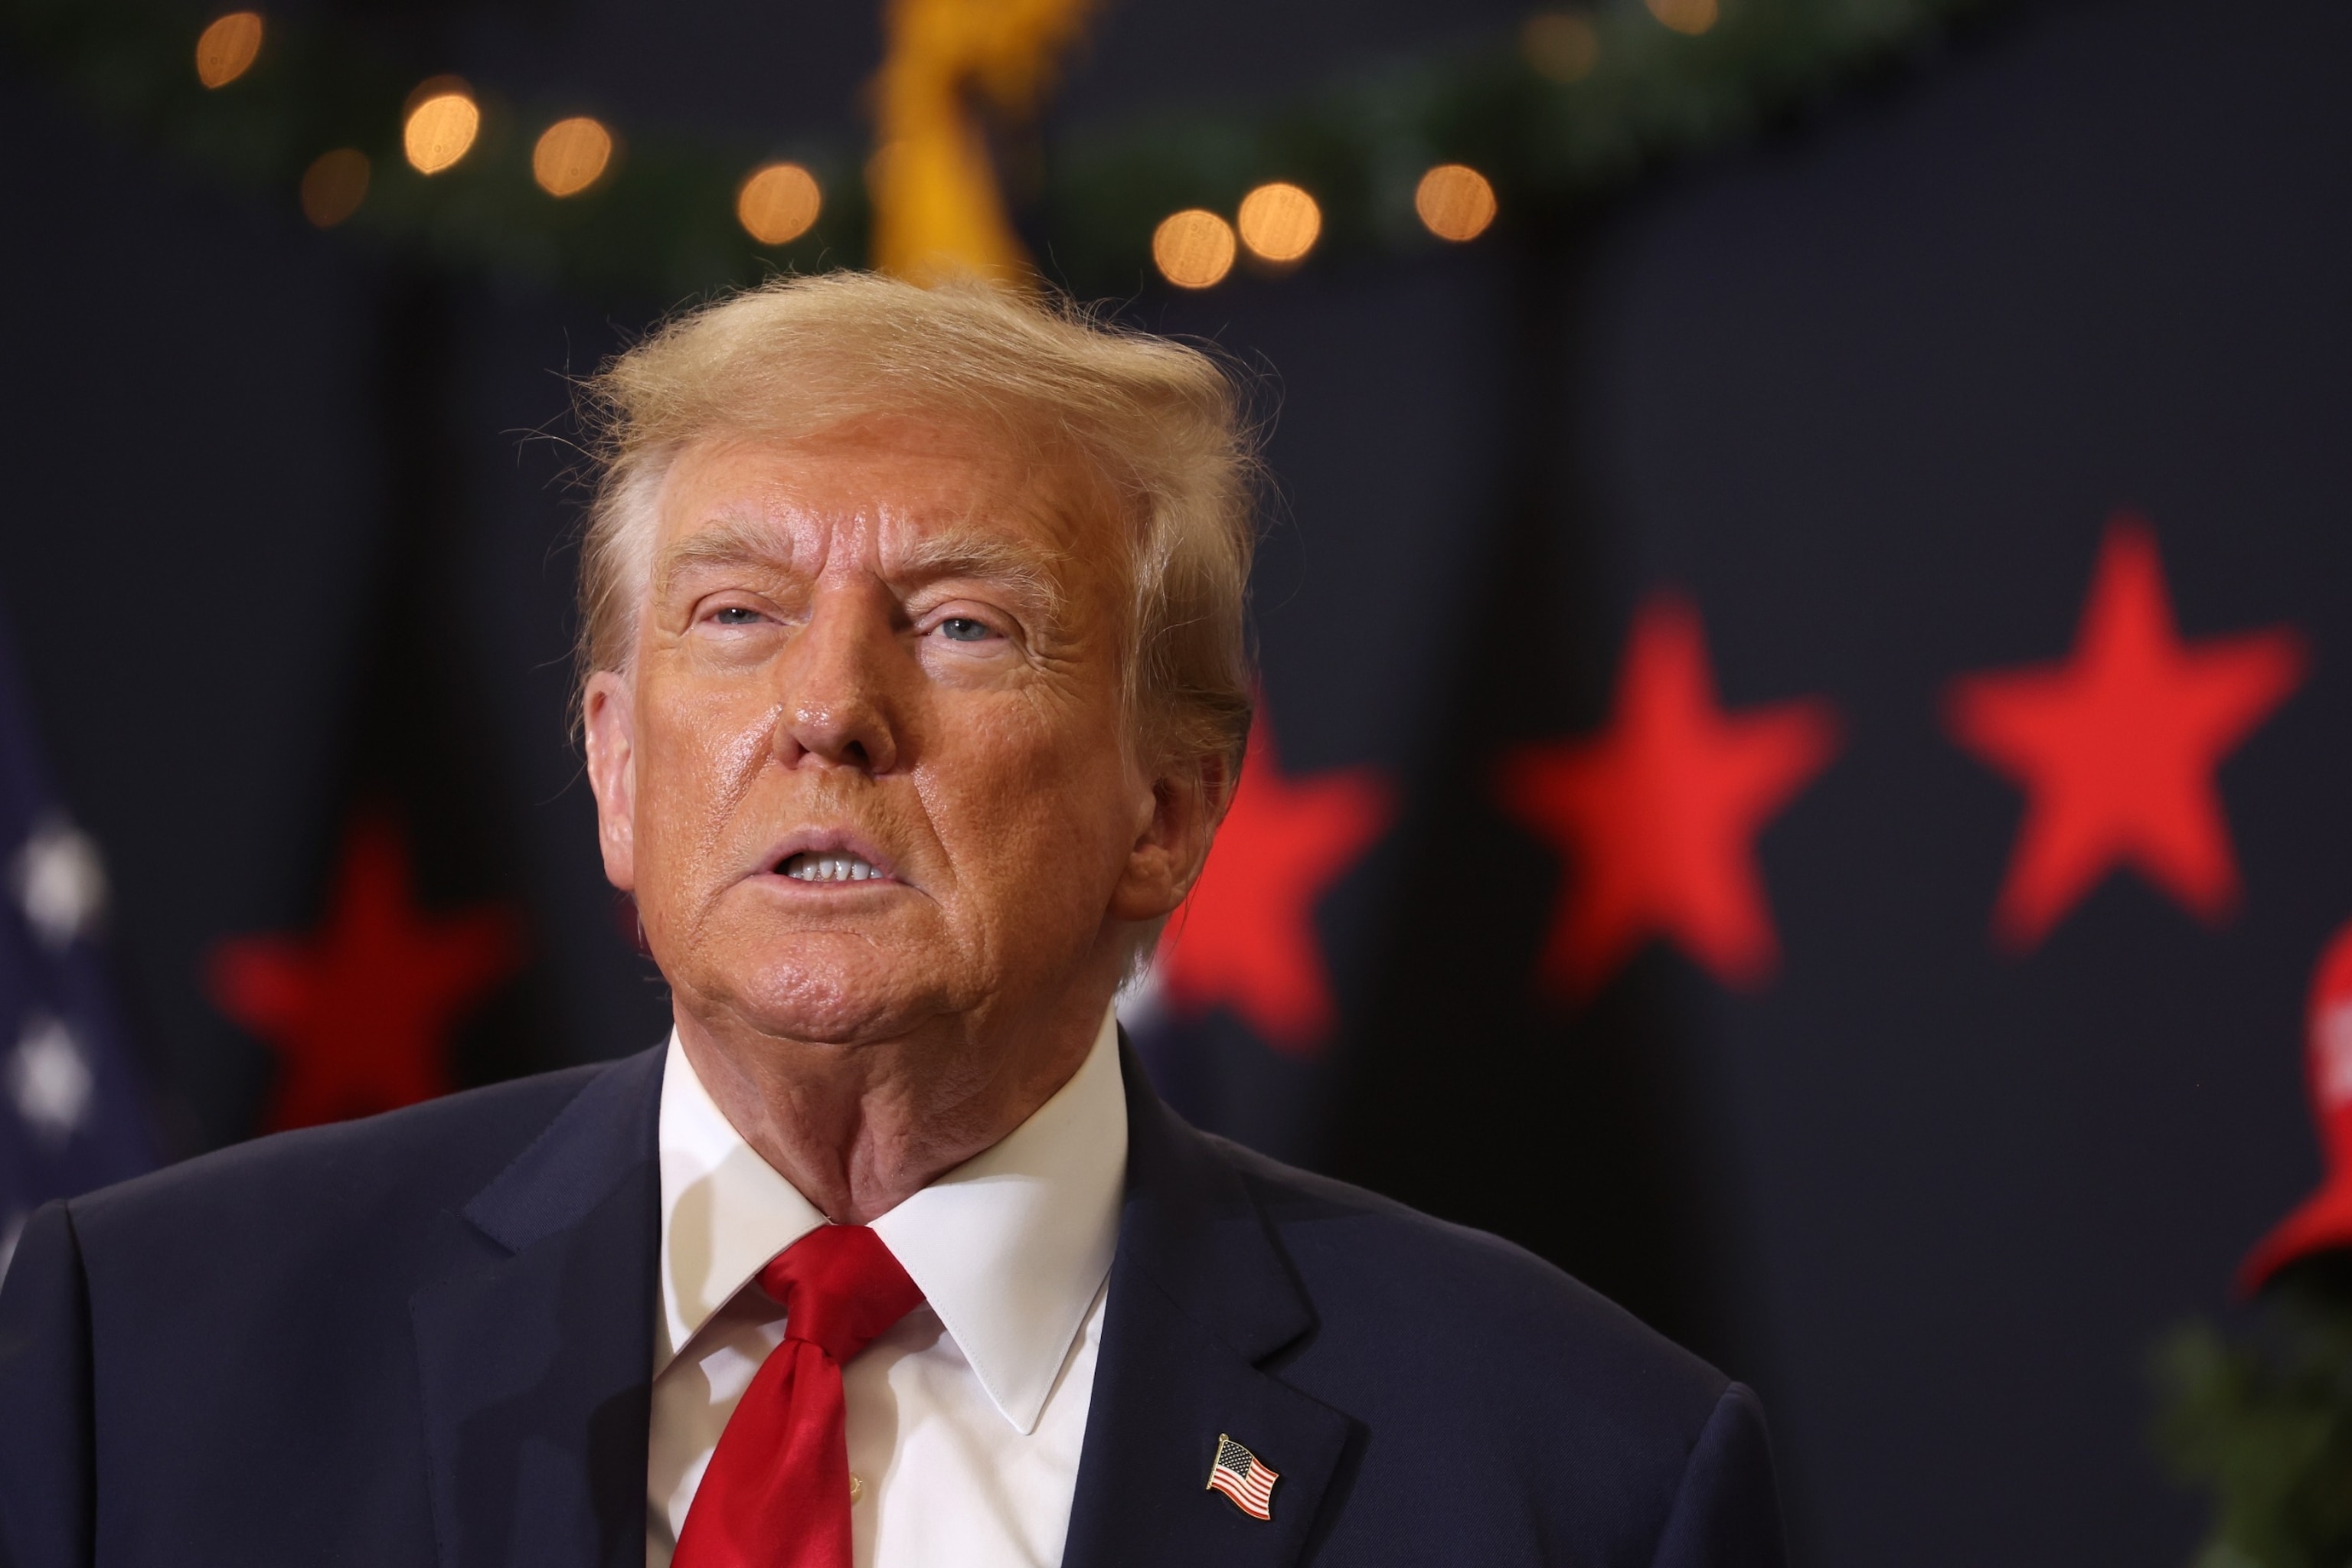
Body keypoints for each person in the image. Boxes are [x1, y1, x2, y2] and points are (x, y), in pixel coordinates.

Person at [0, 273, 1786, 1568]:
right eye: (734, 613)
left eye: (959, 623)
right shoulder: (147, 1346)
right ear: (617, 776)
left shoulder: (1578, 1470)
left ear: (1168, 805)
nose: (828, 708)